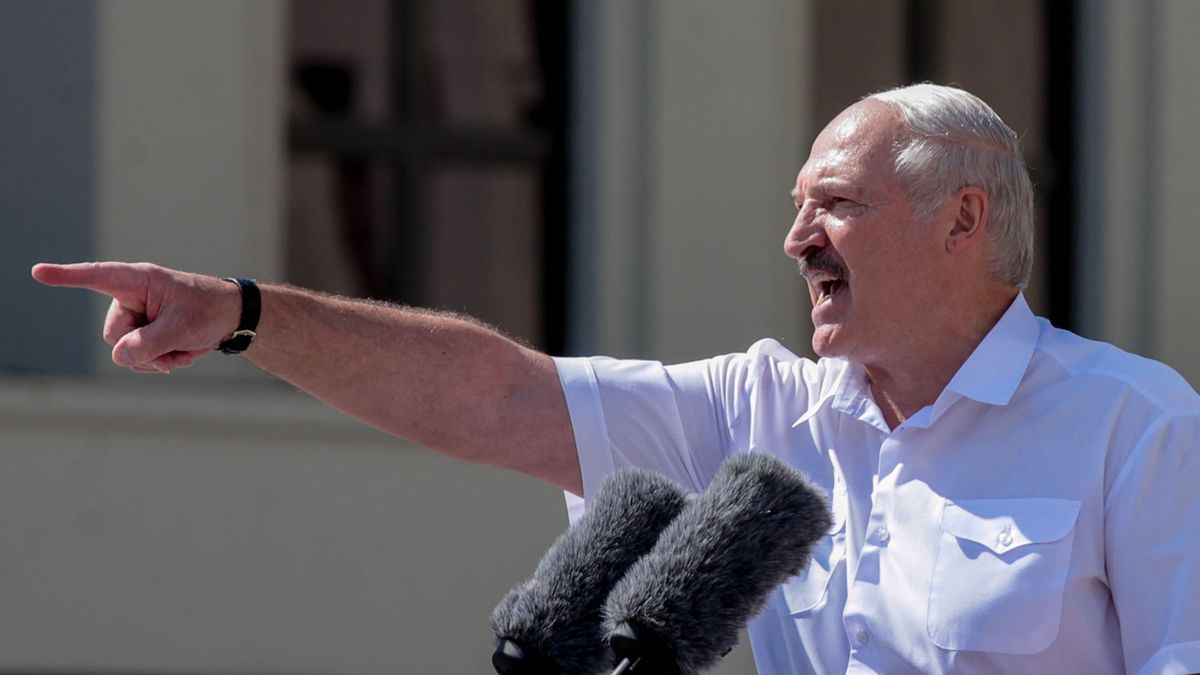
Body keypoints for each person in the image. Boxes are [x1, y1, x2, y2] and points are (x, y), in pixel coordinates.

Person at [32, 84, 1200, 674]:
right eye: (795, 209)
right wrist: (245, 316)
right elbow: (495, 396)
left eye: (836, 205)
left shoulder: (1134, 427)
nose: (797, 241)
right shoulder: (763, 412)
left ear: (964, 220)